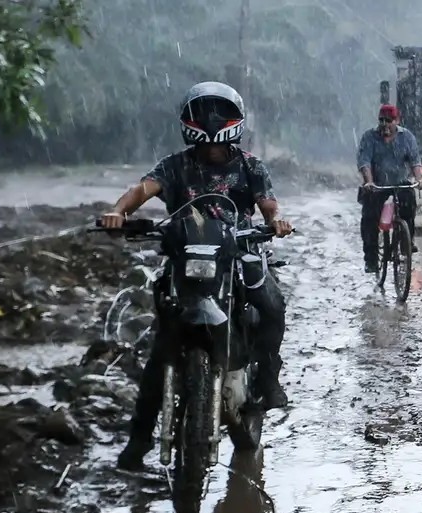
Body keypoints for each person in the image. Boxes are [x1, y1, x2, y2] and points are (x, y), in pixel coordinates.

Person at [102, 81, 294, 470]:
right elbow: (141, 190)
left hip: (238, 253)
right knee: (161, 353)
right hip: (186, 262)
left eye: (218, 114)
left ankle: (269, 379)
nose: (210, 124)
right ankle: (138, 444)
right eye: (203, 113)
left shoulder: (249, 165)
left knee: (272, 305)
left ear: (234, 121)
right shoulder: (175, 165)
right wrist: (118, 211)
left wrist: (276, 220)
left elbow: (268, 203)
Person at [357, 104, 422, 274]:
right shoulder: (369, 137)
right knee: (369, 219)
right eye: (382, 120)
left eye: (389, 121)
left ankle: (406, 242)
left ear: (397, 121)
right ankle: (371, 259)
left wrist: (419, 179)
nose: (385, 124)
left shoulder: (407, 137)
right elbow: (364, 162)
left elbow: (415, 161)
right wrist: (369, 182)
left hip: (400, 183)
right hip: (377, 185)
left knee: (409, 204)